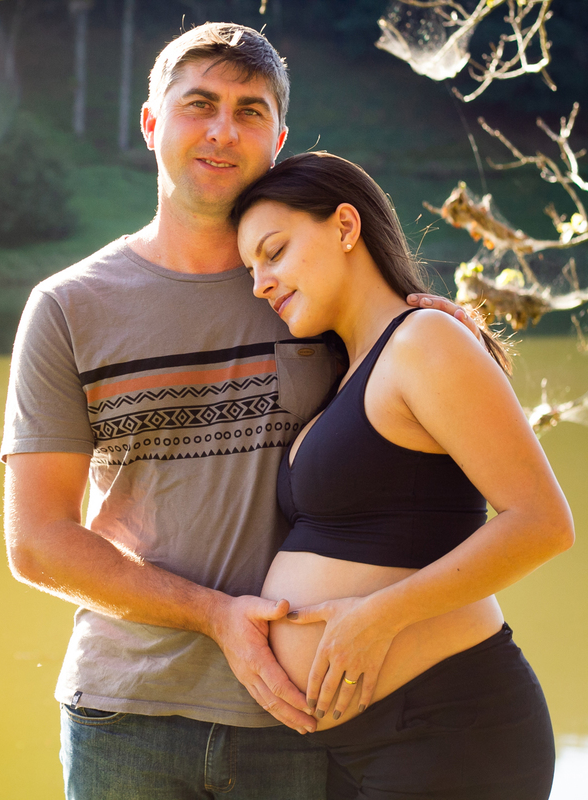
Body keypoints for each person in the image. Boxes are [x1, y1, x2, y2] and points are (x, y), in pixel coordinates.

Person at [1, 22, 476, 799]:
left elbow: (437, 460)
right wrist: (216, 615)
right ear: (153, 123)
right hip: (125, 715)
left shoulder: (315, 294)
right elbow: (38, 542)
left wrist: (416, 322)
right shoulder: (66, 307)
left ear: (278, 139)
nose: (223, 130)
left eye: (250, 111)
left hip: (306, 713)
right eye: (200, 105)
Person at [231, 151, 574, 799]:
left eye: (273, 252)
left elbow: (544, 525)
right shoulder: (348, 374)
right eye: (251, 268)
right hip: (360, 749)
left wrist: (376, 619)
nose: (260, 283)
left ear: (344, 227)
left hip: (449, 730)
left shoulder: (422, 341)